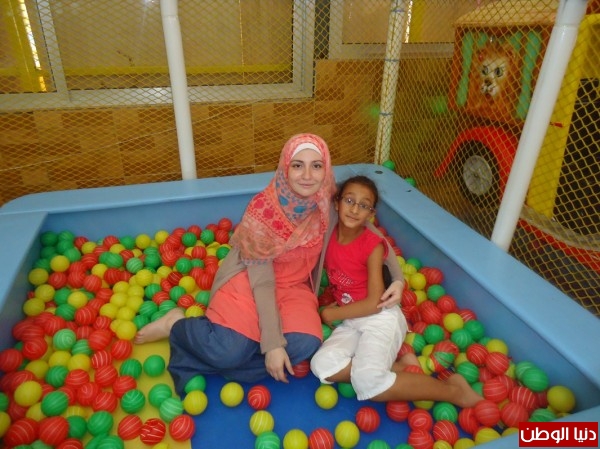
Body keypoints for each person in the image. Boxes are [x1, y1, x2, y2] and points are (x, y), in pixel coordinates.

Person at [134, 134, 405, 395]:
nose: (307, 175)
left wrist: (398, 280)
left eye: (316, 166)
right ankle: (178, 325)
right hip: (249, 282)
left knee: (306, 344)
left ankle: (230, 359)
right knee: (232, 350)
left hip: (294, 287)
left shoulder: (327, 201)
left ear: (326, 170)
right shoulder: (263, 210)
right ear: (285, 167)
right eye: (297, 165)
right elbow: (263, 283)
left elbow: (370, 233)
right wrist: (272, 344)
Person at [310, 175, 483, 409]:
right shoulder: (329, 235)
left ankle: (453, 391)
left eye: (364, 205)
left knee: (368, 382)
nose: (354, 209)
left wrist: (330, 314)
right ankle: (400, 367)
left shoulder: (371, 245)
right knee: (321, 366)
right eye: (349, 200)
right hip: (352, 319)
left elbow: (374, 303)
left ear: (371, 214)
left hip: (380, 318)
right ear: (337, 203)